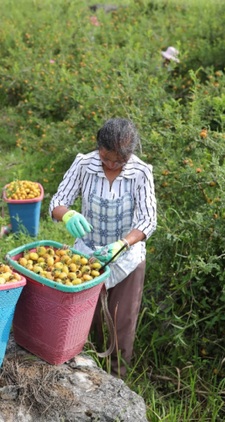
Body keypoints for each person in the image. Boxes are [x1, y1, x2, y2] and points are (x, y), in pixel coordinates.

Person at [49, 118, 157, 378]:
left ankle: (117, 377)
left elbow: (148, 220)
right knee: (87, 317)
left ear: (129, 155)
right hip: (88, 254)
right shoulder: (84, 164)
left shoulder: (141, 172)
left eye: (118, 161)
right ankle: (89, 371)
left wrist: (123, 243)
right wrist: (67, 215)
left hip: (126, 257)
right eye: (106, 158)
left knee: (123, 320)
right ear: (99, 148)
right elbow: (58, 201)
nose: (111, 165)